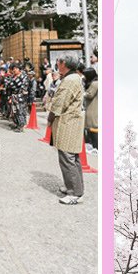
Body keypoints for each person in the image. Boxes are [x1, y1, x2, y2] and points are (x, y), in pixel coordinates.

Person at [49, 53, 85, 205]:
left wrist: (50, 117)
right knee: (72, 157)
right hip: (71, 120)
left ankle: (75, 193)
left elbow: (60, 103)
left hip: (68, 121)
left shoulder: (70, 80)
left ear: (65, 64)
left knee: (67, 158)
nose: (57, 64)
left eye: (59, 61)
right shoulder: (74, 77)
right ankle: (74, 187)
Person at [83, 65, 98, 151]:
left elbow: (89, 95)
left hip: (92, 109)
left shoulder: (94, 84)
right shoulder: (96, 82)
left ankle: (95, 146)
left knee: (92, 128)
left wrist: (83, 93)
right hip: (93, 108)